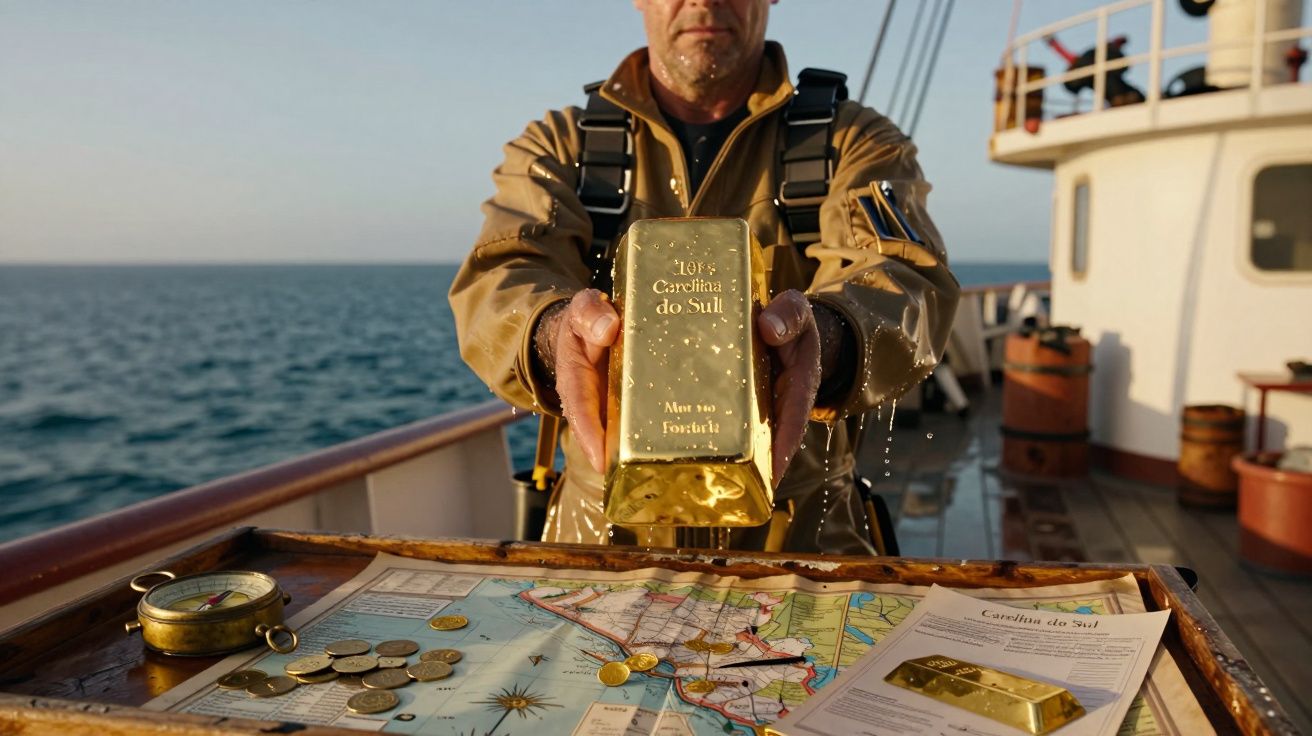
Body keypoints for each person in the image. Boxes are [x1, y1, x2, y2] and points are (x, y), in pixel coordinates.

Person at [449, 0, 959, 554]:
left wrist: (830, 335)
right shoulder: (559, 146)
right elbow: (501, 276)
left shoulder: (854, 141)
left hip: (807, 536)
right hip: (600, 538)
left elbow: (908, 281)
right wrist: (554, 333)